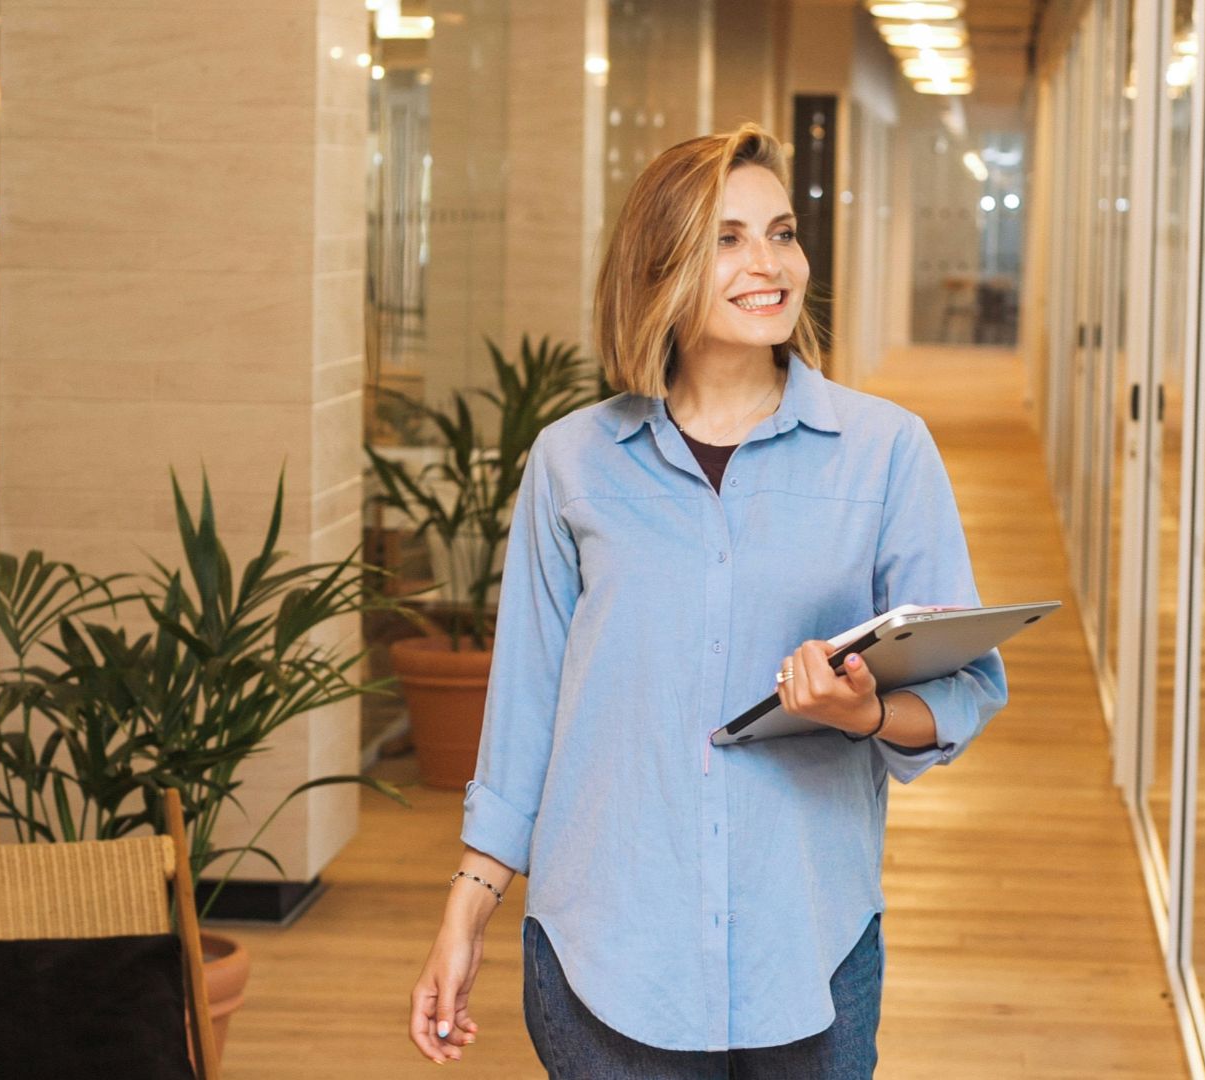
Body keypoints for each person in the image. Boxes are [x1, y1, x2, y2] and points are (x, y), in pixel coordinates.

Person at [407, 122, 1009, 1077]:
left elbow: (970, 684)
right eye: (727, 238)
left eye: (782, 231)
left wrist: (869, 712)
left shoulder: (887, 451)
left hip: (807, 948)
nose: (768, 263)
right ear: (661, 266)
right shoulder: (571, 462)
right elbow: (525, 712)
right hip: (604, 951)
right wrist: (466, 909)